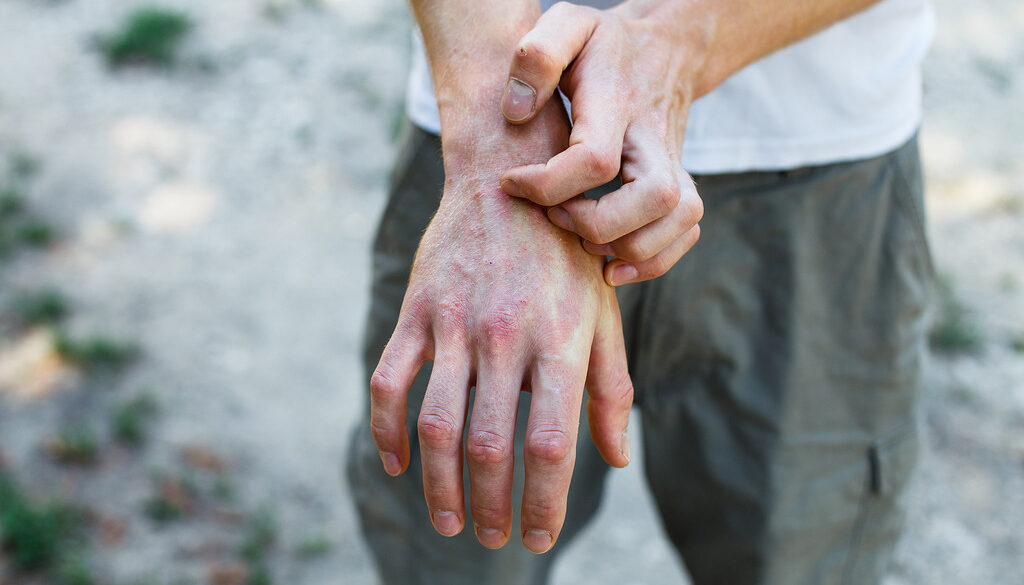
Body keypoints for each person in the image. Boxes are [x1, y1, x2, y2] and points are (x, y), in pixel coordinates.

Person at [347, 0, 936, 583]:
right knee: (455, 553)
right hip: (484, 135)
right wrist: (496, 147)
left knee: (801, 561)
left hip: (823, 162)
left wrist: (682, 40)